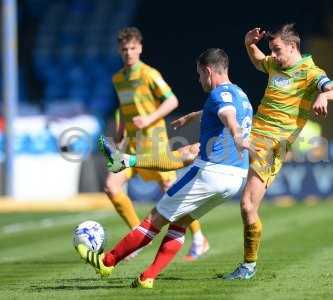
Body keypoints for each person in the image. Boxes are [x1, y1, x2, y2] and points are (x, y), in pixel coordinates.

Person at [76, 48, 253, 289]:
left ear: (208, 71)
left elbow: (227, 113)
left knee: (153, 219)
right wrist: (193, 116)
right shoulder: (241, 94)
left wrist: (236, 134)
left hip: (212, 172)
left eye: (199, 75)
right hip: (235, 179)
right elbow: (225, 108)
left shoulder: (219, 96)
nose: (198, 79)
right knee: (180, 220)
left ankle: (106, 262)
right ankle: (147, 277)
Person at [224, 24, 333, 280]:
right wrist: (249, 44)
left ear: (293, 47)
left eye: (278, 50)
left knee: (248, 206)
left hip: (272, 146)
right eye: (272, 50)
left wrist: (325, 96)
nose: (274, 55)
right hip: (251, 133)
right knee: (198, 153)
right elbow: (259, 60)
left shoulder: (310, 72)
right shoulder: (274, 64)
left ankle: (248, 266)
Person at [106, 26, 208, 260]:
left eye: (133, 48)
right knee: (111, 187)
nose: (129, 53)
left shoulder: (149, 74)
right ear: (119, 51)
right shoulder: (118, 78)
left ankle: (200, 238)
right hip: (130, 145)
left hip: (153, 142)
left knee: (172, 193)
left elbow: (172, 101)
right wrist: (121, 130)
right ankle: (137, 237)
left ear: (140, 48)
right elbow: (123, 107)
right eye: (124, 49)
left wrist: (149, 119)